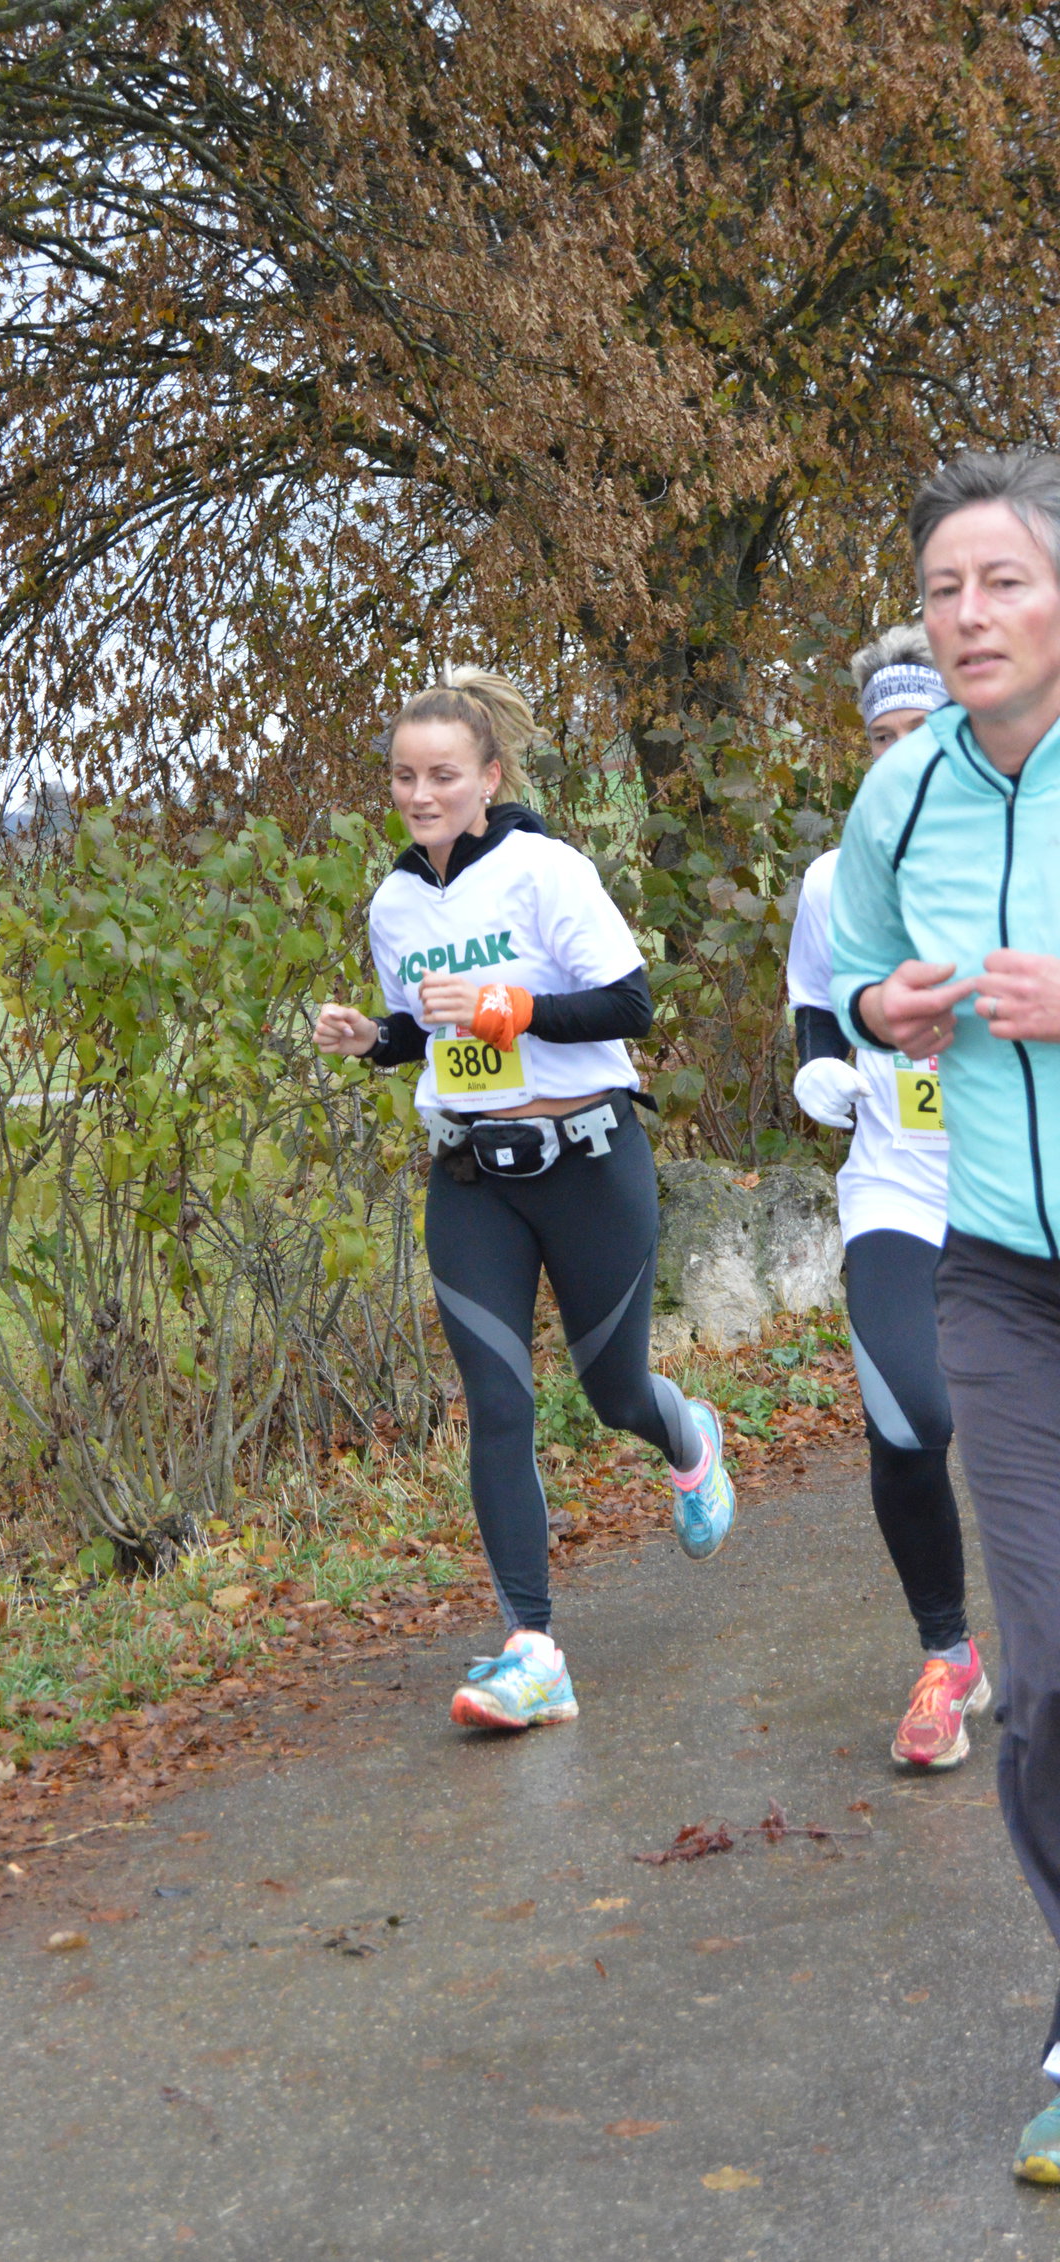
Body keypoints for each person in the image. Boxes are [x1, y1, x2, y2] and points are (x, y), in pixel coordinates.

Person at [314, 664, 735, 1734]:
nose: (419, 795)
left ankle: (687, 1437)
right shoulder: (394, 903)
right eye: (403, 777)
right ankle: (533, 1650)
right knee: (497, 1406)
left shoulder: (546, 870)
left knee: (613, 1393)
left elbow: (629, 1005)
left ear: (489, 777)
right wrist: (373, 1038)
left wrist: (511, 1005)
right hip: (471, 1177)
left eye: (442, 776)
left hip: (588, 1164)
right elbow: (425, 1029)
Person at [828, 448, 1060, 2184]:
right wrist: (877, 1006)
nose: (967, 615)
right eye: (940, 590)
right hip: (996, 1273)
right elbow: (845, 965)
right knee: (1044, 1679)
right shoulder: (900, 793)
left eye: (1002, 580)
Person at [786, 623, 989, 1768]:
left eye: (921, 729)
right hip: (896, 1190)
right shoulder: (832, 879)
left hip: (1021, 1186)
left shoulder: (1021, 850)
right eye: (880, 736)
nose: (898, 752)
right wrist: (819, 1066)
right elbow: (817, 1002)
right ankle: (946, 1656)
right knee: (910, 1419)